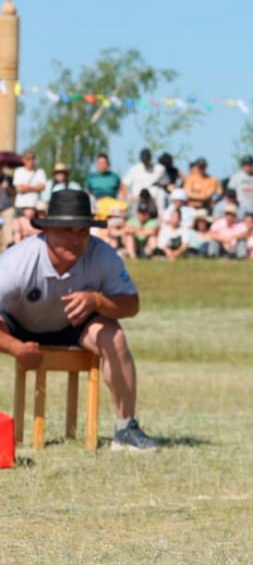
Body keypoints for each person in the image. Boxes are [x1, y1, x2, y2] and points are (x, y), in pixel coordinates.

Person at [0, 190, 156, 450]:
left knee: (114, 336)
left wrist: (97, 301)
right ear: (46, 231)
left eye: (83, 232)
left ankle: (125, 428)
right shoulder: (16, 261)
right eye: (66, 231)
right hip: (17, 325)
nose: (76, 240)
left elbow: (131, 304)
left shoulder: (103, 255)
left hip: (73, 325)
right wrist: (16, 348)